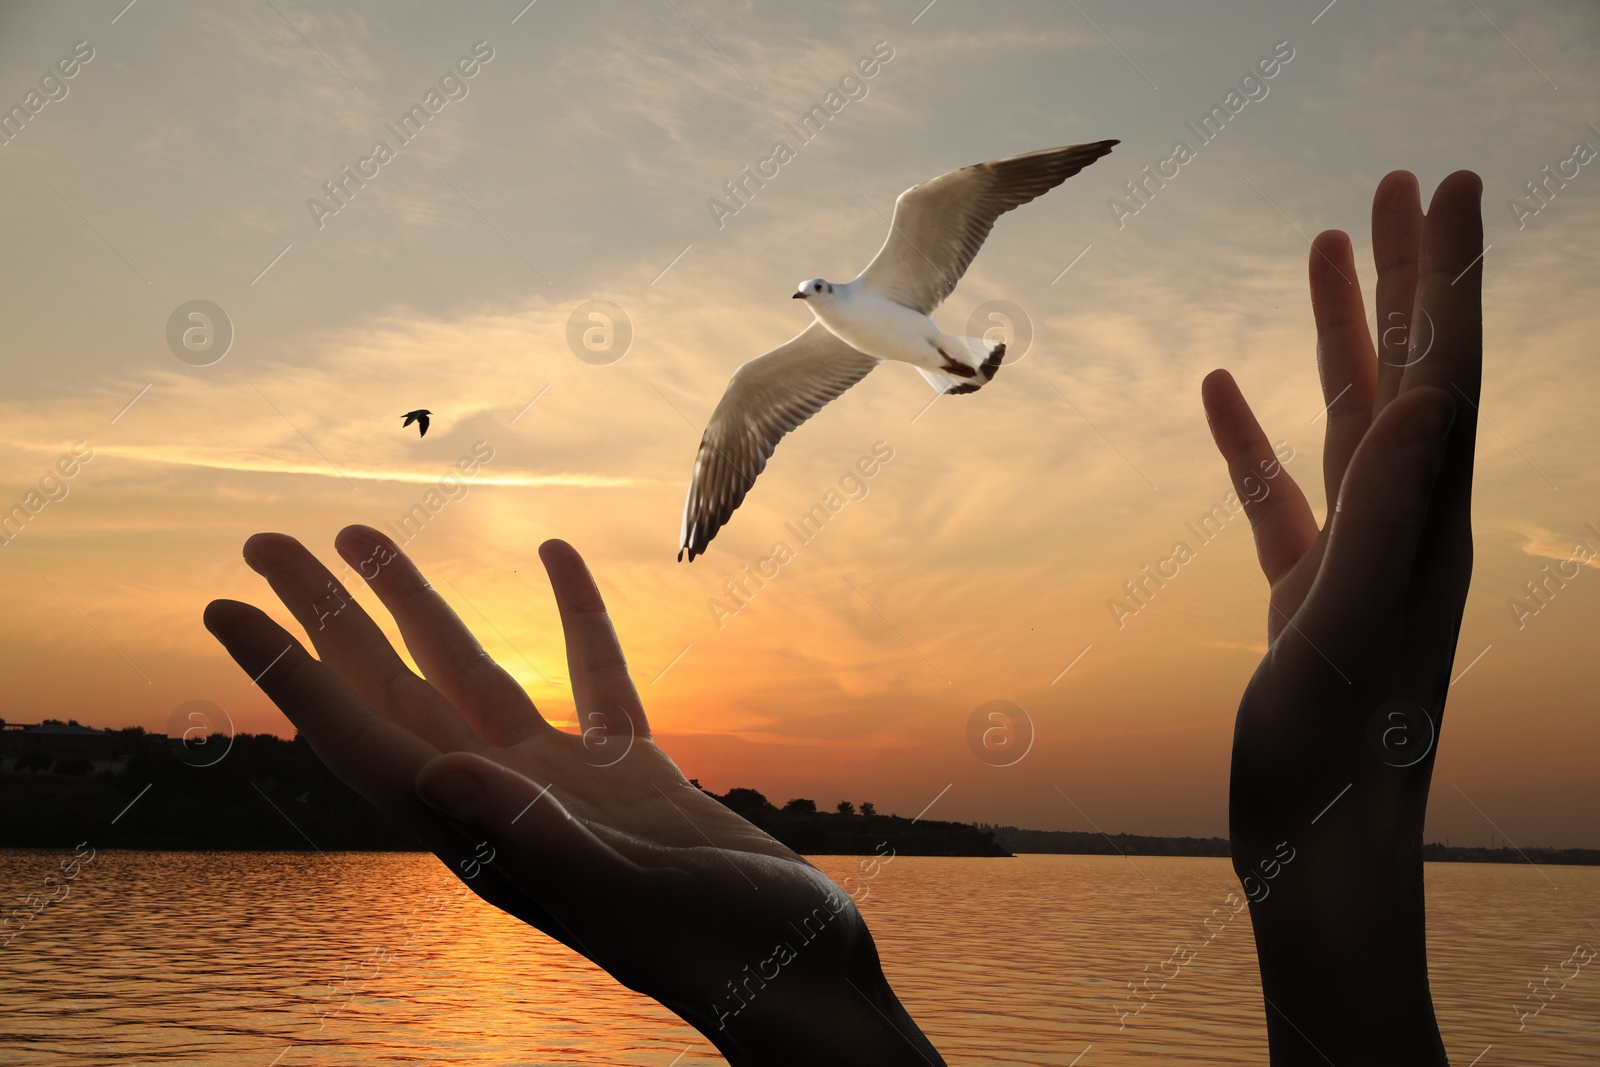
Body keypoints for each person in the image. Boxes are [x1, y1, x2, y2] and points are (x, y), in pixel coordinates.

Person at [205, 169, 1481, 1065]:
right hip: (924, 360)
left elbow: (972, 195)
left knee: (940, 194)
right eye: (811, 294)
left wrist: (812, 1024)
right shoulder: (796, 356)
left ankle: (964, 363)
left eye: (816, 286)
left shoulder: (900, 255)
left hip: (941, 345)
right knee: (736, 404)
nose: (811, 301)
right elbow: (744, 425)